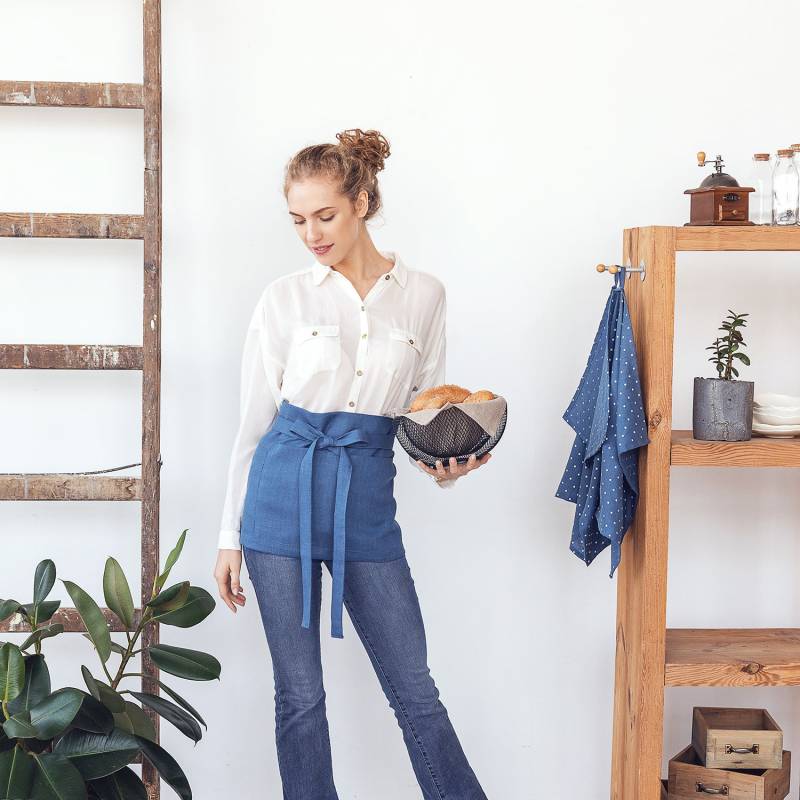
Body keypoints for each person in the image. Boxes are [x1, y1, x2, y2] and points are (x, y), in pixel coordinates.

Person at [213, 127, 491, 799]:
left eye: (325, 215)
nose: (311, 232)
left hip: (366, 501)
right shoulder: (284, 299)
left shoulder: (423, 294)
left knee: (415, 690)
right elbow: (254, 422)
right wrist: (229, 535)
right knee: (300, 695)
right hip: (279, 499)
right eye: (298, 220)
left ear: (362, 200)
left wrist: (445, 466)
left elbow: (425, 411)